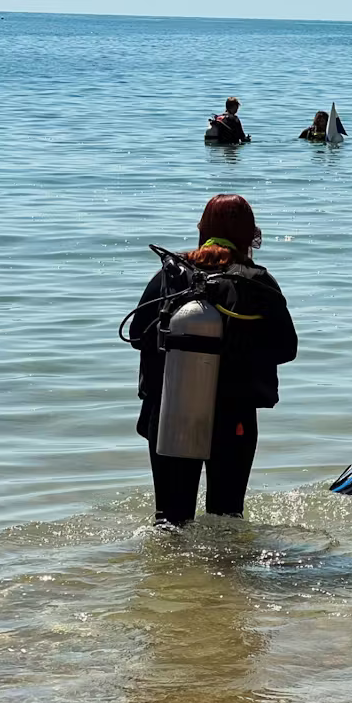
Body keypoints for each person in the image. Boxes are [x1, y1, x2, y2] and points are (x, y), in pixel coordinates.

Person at [129, 195, 297, 525]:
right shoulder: (258, 281)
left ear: (203, 229)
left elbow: (137, 335)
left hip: (170, 413)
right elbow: (286, 348)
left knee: (170, 520)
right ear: (250, 234)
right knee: (226, 516)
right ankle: (226, 575)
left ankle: (167, 575)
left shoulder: (171, 274)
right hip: (233, 416)